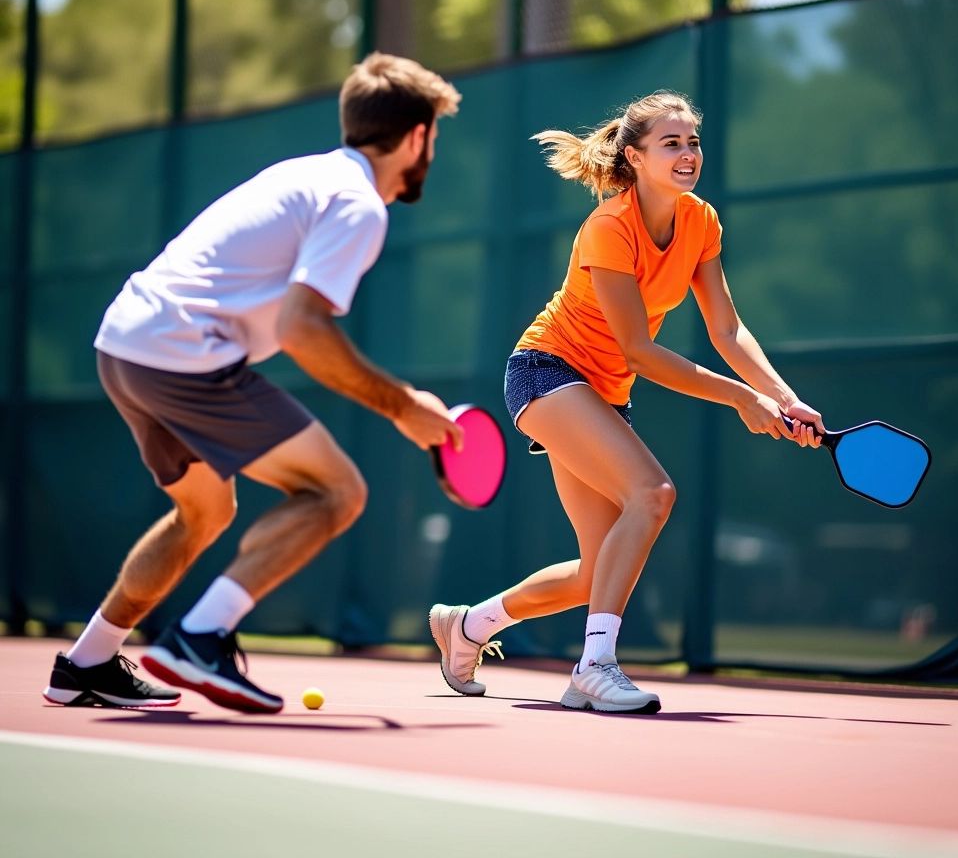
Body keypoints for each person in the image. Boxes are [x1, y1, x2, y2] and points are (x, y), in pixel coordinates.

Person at [43, 52, 464, 714]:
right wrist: (403, 406)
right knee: (337, 491)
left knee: (205, 512)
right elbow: (304, 330)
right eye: (434, 138)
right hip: (182, 353)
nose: (431, 152)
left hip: (122, 345)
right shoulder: (358, 206)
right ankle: (201, 637)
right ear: (417, 137)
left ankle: (88, 661)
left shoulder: (305, 175)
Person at [429, 91, 824, 714]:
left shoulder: (700, 222)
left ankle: (468, 625)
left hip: (604, 394)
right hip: (545, 373)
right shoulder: (610, 228)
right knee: (654, 493)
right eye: (672, 143)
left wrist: (784, 398)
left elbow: (728, 330)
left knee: (595, 572)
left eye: (693, 141)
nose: (688, 153)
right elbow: (638, 349)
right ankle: (596, 666)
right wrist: (742, 400)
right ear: (634, 158)